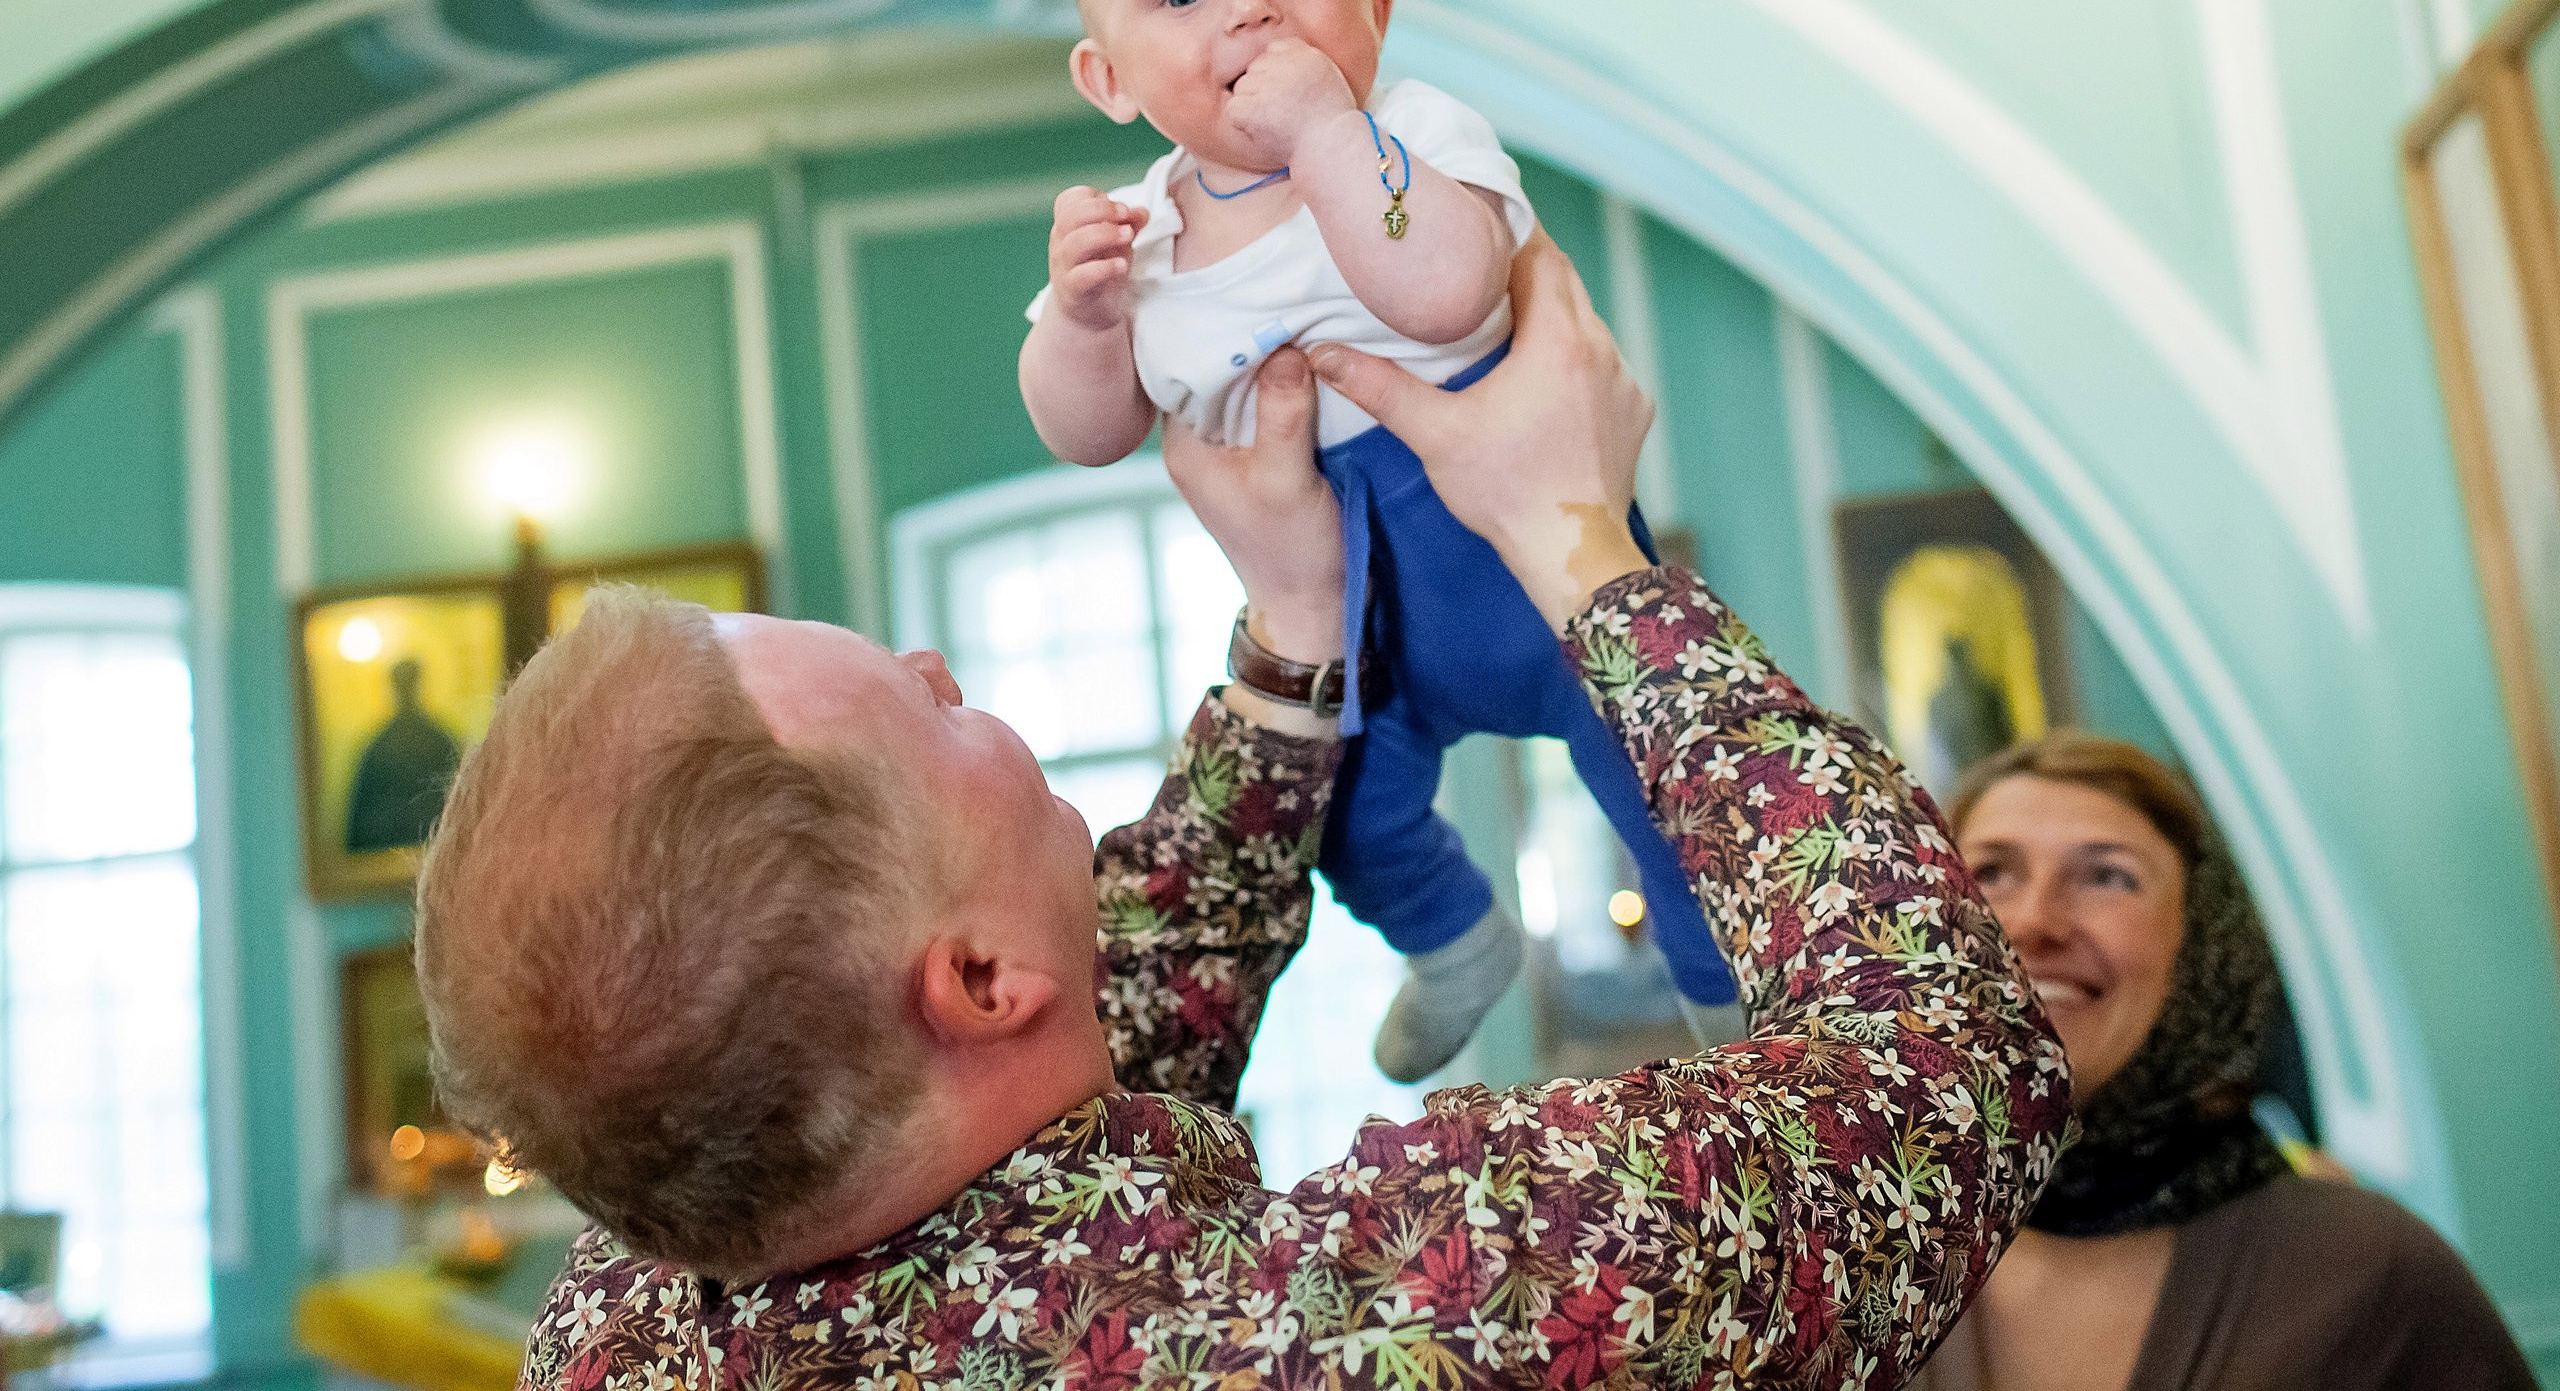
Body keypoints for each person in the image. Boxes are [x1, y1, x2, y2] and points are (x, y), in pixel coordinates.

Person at [416, 236, 2069, 1389]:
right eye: (922, 701)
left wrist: (1296, 623)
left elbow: (1119, 988)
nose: (933, 657)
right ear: (980, 979)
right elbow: (1951, 1073)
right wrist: (1589, 553)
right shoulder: (1407, 1305)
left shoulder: (631, 1320)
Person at [1019, 0, 1736, 1080]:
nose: (1250, 13)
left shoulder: (1417, 134)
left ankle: (1718, 996)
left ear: (1376, 4)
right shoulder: (1139, 238)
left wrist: (1326, 138)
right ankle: (1453, 939)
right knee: (1329, 809)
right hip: (1344, 601)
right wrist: (1081, 320)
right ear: (1109, 80)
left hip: (1515, 550)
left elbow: (1446, 293)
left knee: (1658, 789)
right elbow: (1088, 433)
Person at [1916, 731, 2534, 1391]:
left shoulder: (2369, 1273)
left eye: (2106, 875)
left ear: (2206, 944)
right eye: (1991, 872)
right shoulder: (1849, 1258)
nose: (2036, 920)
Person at [344, 655, 461, 853]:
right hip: (386, 858)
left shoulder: (439, 742)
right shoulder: (378, 748)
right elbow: (360, 827)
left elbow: (459, 805)